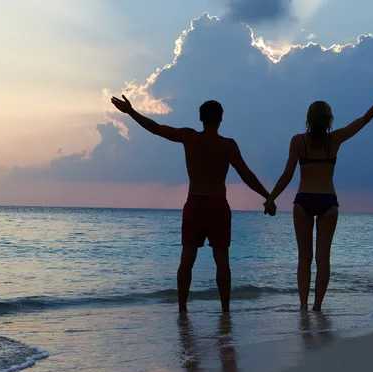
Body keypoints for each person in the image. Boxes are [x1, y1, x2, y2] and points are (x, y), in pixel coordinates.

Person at [111, 95, 273, 313]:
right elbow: (246, 174)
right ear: (221, 119)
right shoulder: (227, 145)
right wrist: (267, 196)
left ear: (200, 118)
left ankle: (182, 311)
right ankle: (225, 311)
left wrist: (131, 112)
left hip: (195, 204)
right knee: (222, 261)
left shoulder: (190, 138)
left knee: (187, 260)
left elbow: (157, 128)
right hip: (217, 206)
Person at [264, 79, 373, 311]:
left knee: (304, 258)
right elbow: (364, 119)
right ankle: (317, 307)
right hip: (328, 202)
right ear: (329, 119)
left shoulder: (298, 141)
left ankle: (303, 307)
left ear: (308, 119)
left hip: (303, 201)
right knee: (323, 258)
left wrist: (271, 198)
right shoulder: (335, 139)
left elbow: (287, 175)